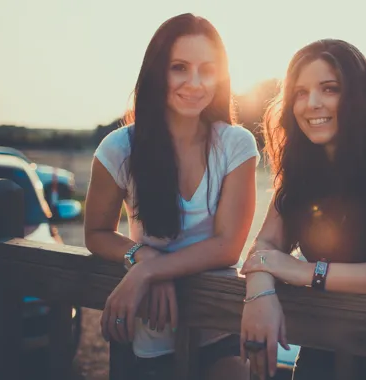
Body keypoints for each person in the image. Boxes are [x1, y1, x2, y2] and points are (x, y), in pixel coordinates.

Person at [239, 39, 366, 380]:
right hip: (324, 355)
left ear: (356, 95)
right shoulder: (299, 165)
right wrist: (260, 292)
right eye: (300, 93)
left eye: (328, 89)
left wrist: (309, 273)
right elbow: (265, 248)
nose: (311, 104)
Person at [84, 13, 259, 380]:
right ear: (157, 72)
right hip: (145, 338)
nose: (195, 83)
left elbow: (228, 246)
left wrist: (150, 270)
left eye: (207, 70)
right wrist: (142, 257)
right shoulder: (119, 148)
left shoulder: (235, 145)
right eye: (179, 67)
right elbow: (96, 232)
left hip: (219, 328)